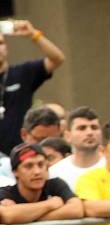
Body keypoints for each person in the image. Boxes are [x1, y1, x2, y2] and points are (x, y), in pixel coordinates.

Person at [0, 19, 66, 154]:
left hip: (22, 155)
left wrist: (33, 35)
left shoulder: (23, 72)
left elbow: (57, 59)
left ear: (6, 47)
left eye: (0, 43)